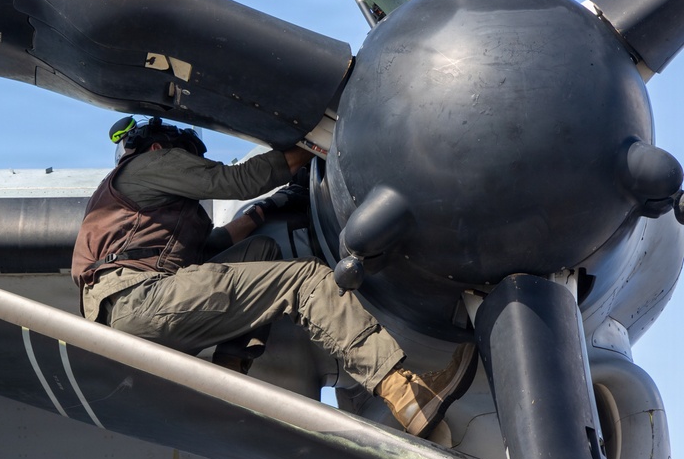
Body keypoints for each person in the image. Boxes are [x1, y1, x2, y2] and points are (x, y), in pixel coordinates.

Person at [72, 116, 477, 438]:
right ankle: (401, 390)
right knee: (306, 281)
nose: (190, 166)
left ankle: (228, 376)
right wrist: (312, 142)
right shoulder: (150, 162)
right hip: (140, 300)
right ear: (160, 148)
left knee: (261, 252)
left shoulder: (130, 204)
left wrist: (268, 209)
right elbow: (237, 180)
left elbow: (212, 248)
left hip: (132, 314)